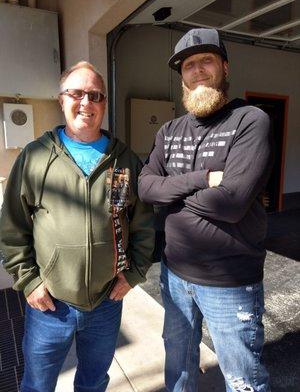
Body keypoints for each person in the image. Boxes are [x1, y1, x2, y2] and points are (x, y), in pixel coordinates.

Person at [0, 61, 154, 392]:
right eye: (76, 93)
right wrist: (29, 282)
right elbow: (13, 227)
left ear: (104, 105)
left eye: (95, 95)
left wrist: (134, 274)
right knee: (38, 385)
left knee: (94, 381)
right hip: (50, 304)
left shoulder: (124, 161)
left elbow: (143, 224)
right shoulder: (36, 156)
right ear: (61, 99)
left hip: (106, 304)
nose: (86, 102)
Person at [138, 28, 273, 392]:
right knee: (178, 368)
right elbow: (145, 187)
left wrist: (171, 193)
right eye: (189, 65)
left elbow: (230, 203)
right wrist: (203, 178)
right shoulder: (168, 131)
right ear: (181, 76)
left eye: (207, 61)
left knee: (243, 379)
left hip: (230, 282)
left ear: (225, 67)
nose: (197, 70)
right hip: (174, 275)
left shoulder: (250, 121)